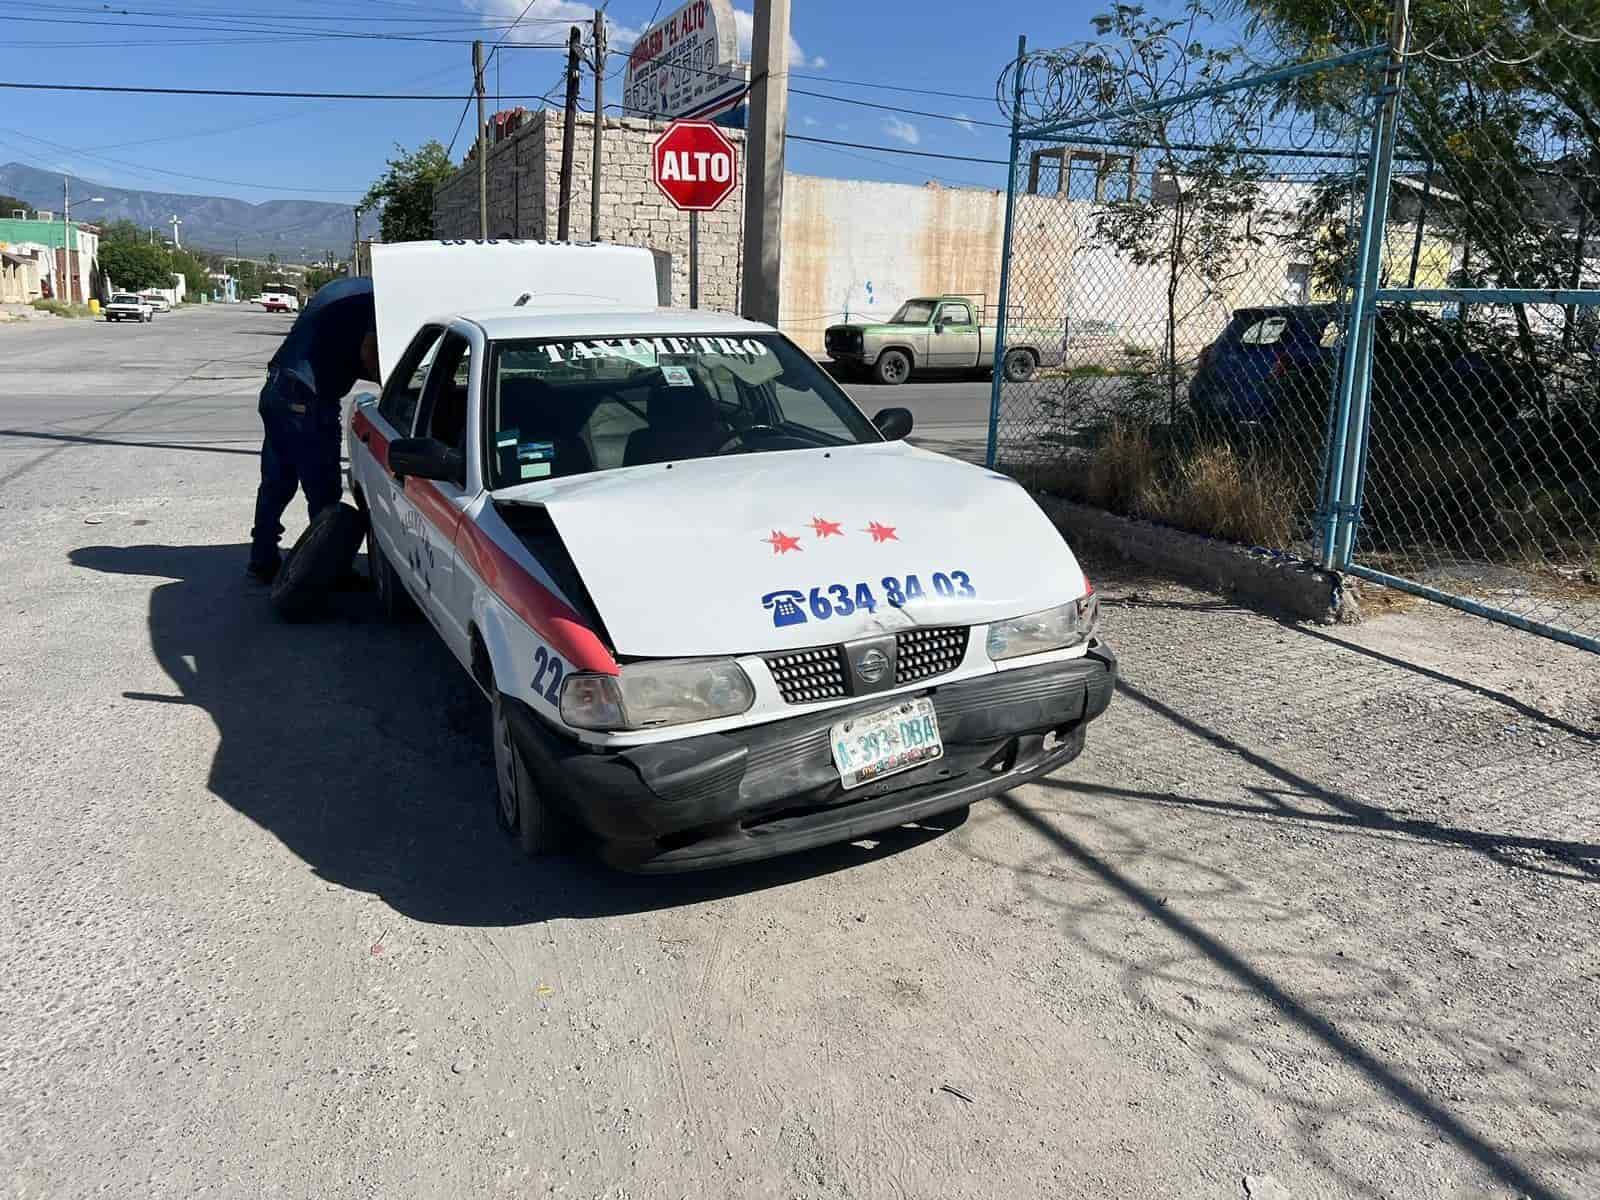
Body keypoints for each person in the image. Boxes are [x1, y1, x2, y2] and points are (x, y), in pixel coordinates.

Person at [246, 277, 379, 582]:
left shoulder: (346, 288)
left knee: (276, 484)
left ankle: (262, 560)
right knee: (323, 492)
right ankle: (327, 573)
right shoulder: (377, 299)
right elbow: (369, 354)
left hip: (279, 388)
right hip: (307, 399)